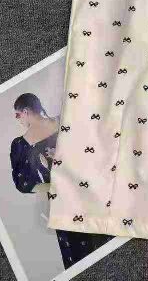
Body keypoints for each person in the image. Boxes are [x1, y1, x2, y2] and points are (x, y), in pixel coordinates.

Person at [10, 93, 110, 269]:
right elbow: (22, 184)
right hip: (66, 207)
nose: (17, 119)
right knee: (83, 260)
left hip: (94, 195)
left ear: (25, 111)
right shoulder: (21, 144)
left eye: (17, 115)